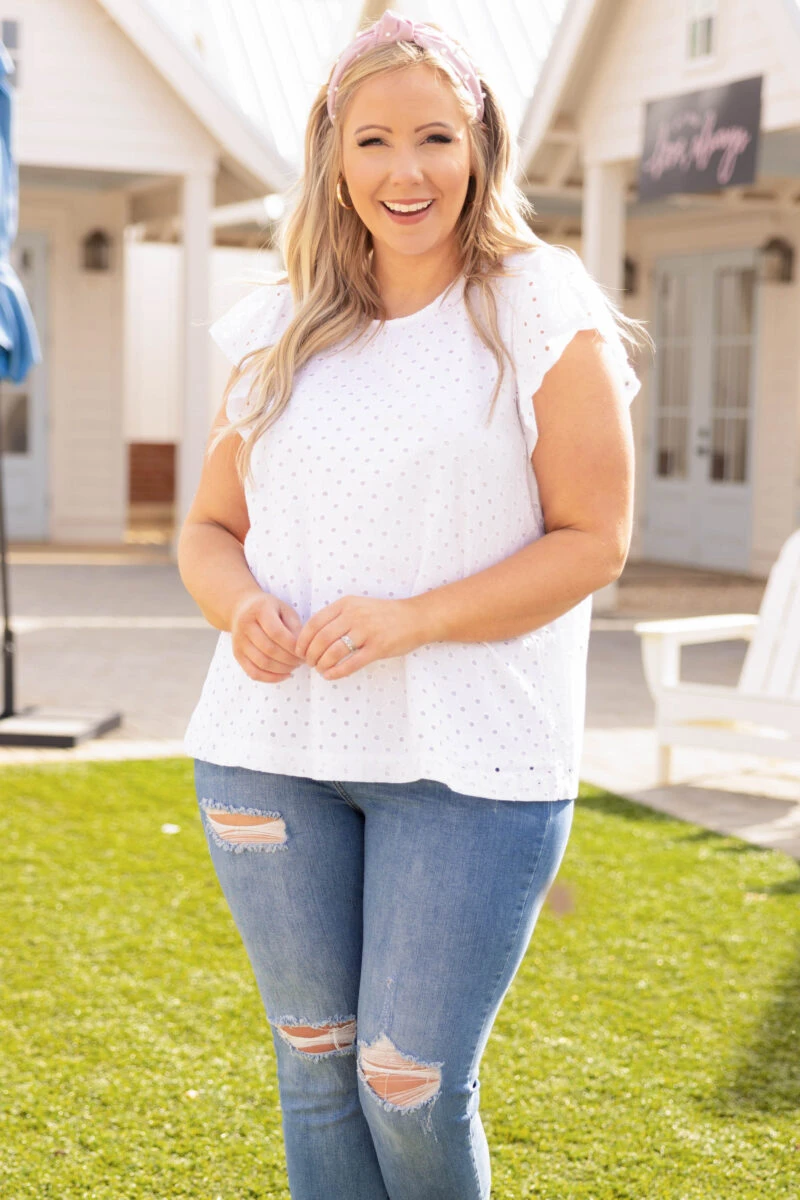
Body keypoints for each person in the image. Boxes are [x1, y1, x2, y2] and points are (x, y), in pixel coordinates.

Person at [178, 10, 649, 1199]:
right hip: (266, 753)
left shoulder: (536, 303)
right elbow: (208, 531)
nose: (406, 171)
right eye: (374, 140)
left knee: (409, 1086)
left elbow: (594, 540)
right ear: (333, 155)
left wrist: (414, 618)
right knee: (315, 1073)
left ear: (480, 146)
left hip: (471, 761)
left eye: (435, 137)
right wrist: (238, 608)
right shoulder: (277, 325)